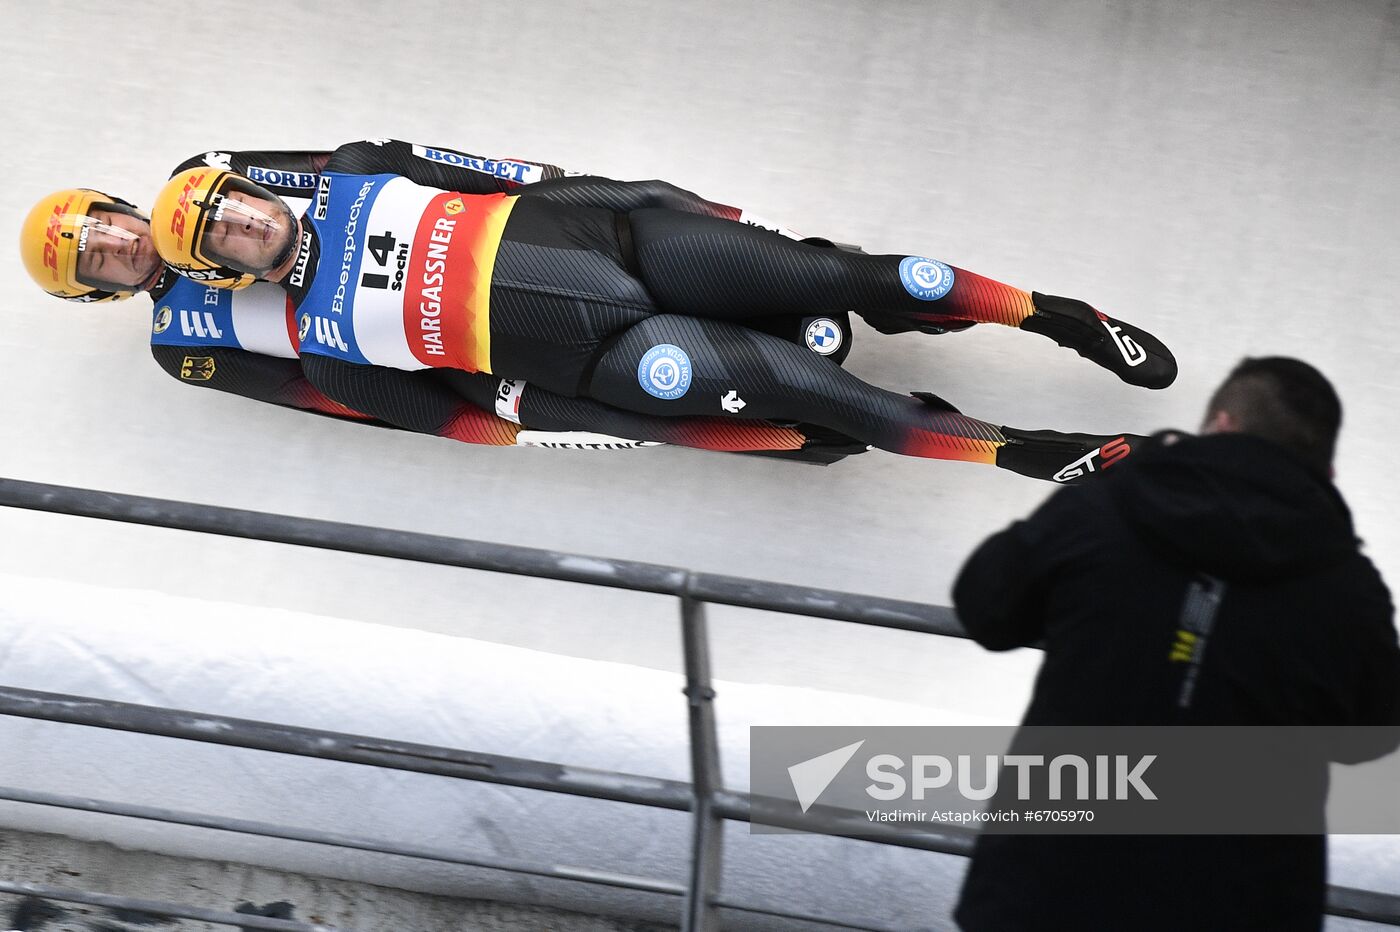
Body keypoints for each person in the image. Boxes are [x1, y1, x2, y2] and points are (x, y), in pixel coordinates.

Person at [148, 138, 1177, 482]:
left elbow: (510, 173)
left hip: (618, 243)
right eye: (222, 238)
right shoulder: (328, 356)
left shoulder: (359, 170)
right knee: (848, 401)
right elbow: (466, 418)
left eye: (235, 206)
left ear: (252, 189)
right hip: (613, 349)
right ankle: (1029, 451)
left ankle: (1053, 314)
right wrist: (585, 428)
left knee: (855, 277)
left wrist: (672, 205)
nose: (240, 225)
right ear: (225, 271)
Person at [19, 146, 865, 461]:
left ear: (115, 206)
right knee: (598, 407)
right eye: (98, 261)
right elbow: (311, 392)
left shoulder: (207, 179)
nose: (120, 247)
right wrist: (441, 419)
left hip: (449, 253)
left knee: (646, 207)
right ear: (99, 291)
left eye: (105, 229)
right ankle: (793, 432)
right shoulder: (179, 344)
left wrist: (518, 183)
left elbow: (361, 165)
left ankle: (817, 269)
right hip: (417, 354)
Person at [951, 357, 1400, 930]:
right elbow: (1368, 739)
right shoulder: (1348, 588)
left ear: (1220, 425)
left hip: (1045, 887)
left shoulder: (1105, 506)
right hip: (1242, 903)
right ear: (1327, 469)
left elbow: (986, 607)